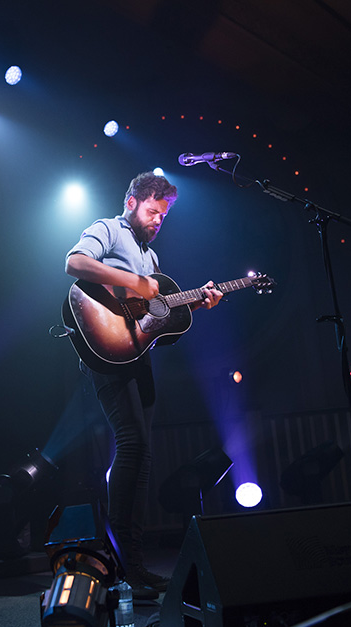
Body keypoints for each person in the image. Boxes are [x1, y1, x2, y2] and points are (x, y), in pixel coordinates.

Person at [65, 171, 222, 599]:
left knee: (143, 454)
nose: (158, 221)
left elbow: (156, 318)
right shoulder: (109, 230)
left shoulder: (149, 257)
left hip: (137, 356)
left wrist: (197, 300)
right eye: (153, 211)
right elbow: (74, 263)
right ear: (132, 201)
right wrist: (134, 282)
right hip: (107, 354)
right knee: (132, 445)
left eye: (164, 216)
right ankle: (121, 566)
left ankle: (133, 563)